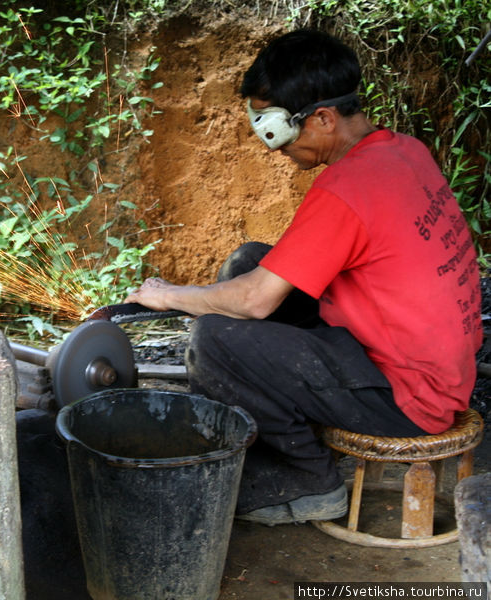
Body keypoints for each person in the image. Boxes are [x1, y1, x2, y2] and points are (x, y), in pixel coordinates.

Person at [126, 29, 483, 525]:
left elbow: (255, 303)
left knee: (215, 340)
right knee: (250, 260)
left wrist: (171, 297)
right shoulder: (400, 151)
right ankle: (276, 439)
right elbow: (264, 279)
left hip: (408, 397)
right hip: (423, 361)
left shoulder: (347, 188)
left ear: (322, 118)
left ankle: (308, 477)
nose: (275, 148)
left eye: (277, 130)